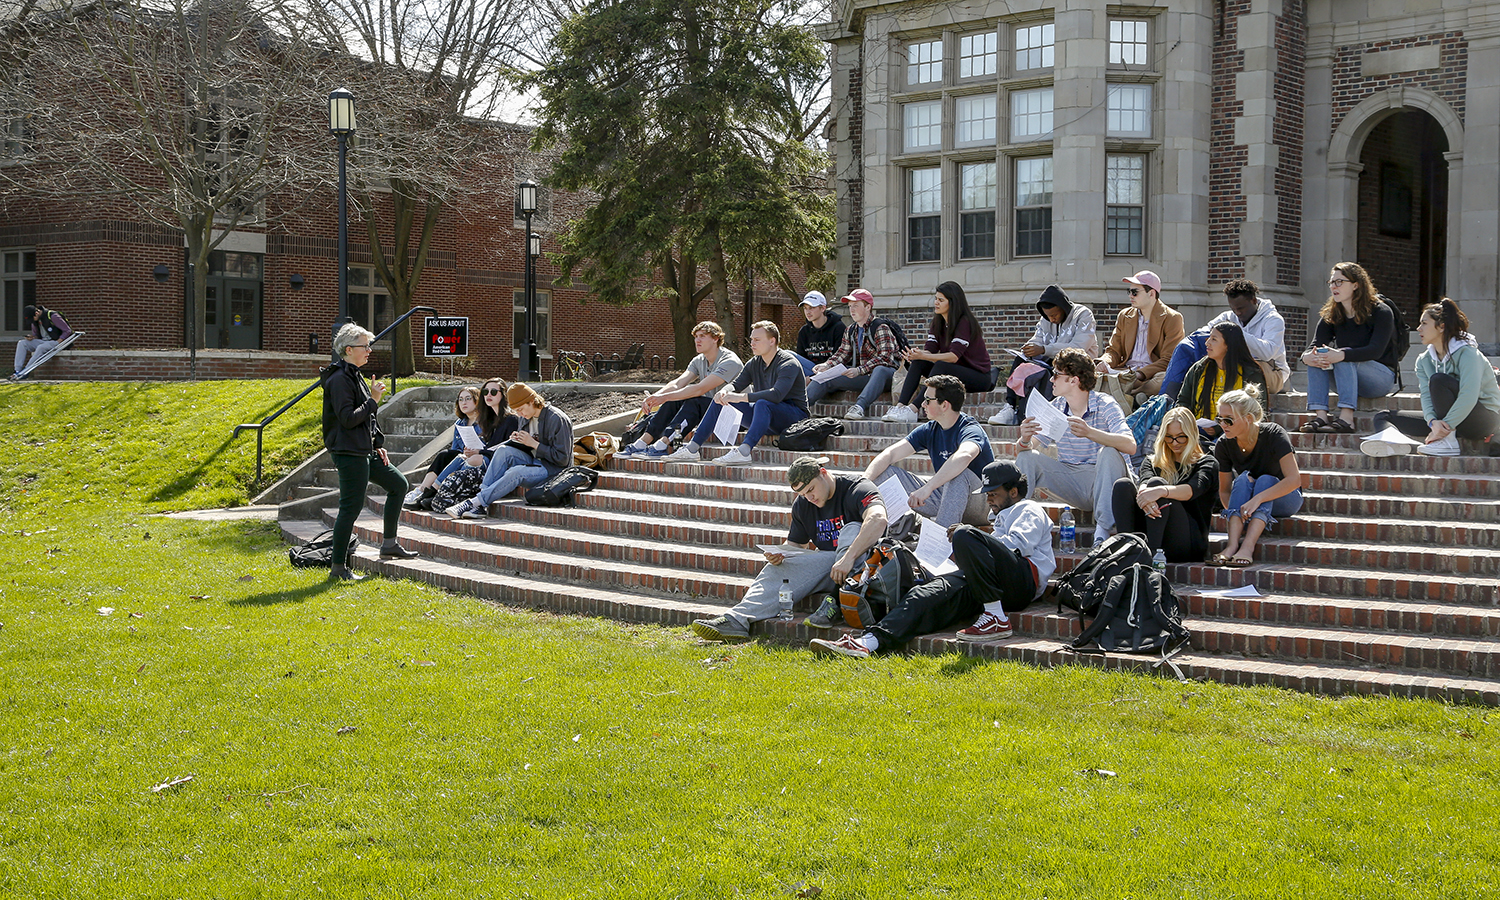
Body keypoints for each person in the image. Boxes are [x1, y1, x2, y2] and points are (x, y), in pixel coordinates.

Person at [808, 460, 1055, 657]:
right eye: (986, 494)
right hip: (990, 583)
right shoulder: (999, 517)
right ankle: (868, 643)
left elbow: (1017, 549)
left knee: (964, 533)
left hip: (1022, 582)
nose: (988, 499)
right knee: (924, 594)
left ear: (1013, 491)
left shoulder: (1028, 509)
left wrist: (973, 539)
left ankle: (996, 619)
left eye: (994, 494)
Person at [691, 456, 888, 642]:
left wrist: (848, 557)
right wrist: (780, 554)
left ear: (824, 473)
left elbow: (878, 519)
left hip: (863, 566)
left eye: (811, 490)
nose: (809, 498)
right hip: (830, 564)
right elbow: (796, 546)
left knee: (852, 528)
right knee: (778, 567)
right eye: (802, 494)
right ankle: (736, 619)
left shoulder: (857, 488)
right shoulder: (803, 504)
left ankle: (835, 600)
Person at [322, 323, 418, 580]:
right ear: (349, 349)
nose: (369, 351)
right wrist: (374, 400)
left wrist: (377, 444)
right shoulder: (340, 378)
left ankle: (388, 545)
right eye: (365, 346)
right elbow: (347, 418)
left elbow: (367, 420)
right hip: (349, 452)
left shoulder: (355, 375)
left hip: (365, 450)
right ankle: (339, 569)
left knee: (399, 485)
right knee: (350, 509)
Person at [1015, 348, 1137, 546]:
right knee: (1027, 457)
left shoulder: (1105, 403)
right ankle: (1014, 520)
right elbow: (1022, 453)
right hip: (1073, 480)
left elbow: (1130, 445)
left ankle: (1102, 531)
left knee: (1108, 451)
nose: (1051, 380)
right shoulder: (1056, 407)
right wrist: (1025, 439)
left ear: (1074, 380)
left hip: (1105, 479)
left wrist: (1090, 433)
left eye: (1056, 374)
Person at [663, 321, 808, 465]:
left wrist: (741, 397)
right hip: (765, 417)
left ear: (772, 341)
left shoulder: (788, 363)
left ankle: (744, 452)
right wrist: (725, 392)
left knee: (763, 403)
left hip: (793, 418)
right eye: (751, 339)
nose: (752, 343)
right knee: (721, 397)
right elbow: (736, 384)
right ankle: (692, 449)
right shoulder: (754, 362)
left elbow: (776, 395)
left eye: (757, 340)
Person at [1372, 298, 1500, 457]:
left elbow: (1469, 396)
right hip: (1449, 422)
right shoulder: (1424, 360)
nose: (1418, 329)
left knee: (1439, 380)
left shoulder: (1468, 354)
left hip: (1482, 421)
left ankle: (1447, 443)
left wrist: (1444, 428)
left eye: (1424, 323)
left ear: (1441, 327)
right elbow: (1426, 395)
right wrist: (1433, 423)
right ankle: (1391, 443)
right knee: (1384, 416)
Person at [862, 374, 993, 527]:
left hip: (981, 504)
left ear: (944, 405)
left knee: (959, 473)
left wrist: (928, 487)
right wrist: (862, 484)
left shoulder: (970, 429)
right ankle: (889, 528)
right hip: (945, 499)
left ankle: (939, 541)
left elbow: (964, 455)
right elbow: (889, 454)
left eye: (928, 400)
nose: (922, 404)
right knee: (883, 473)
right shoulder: (930, 429)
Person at [444, 383, 573, 518]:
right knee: (503, 450)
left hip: (554, 470)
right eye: (516, 410)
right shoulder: (525, 418)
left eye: (521, 409)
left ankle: (475, 503)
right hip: (535, 461)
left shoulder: (556, 419)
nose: (519, 414)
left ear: (532, 401)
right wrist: (517, 440)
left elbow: (562, 459)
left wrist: (533, 443)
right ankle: (480, 502)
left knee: (515, 472)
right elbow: (528, 447)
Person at [1110, 407, 1219, 563]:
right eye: (1169, 437)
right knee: (1123, 485)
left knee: (1157, 485)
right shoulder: (1152, 461)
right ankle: (1127, 550)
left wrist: (1161, 491)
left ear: (1192, 435)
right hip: (1151, 530)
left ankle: (1153, 555)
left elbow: (1192, 490)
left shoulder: (1207, 463)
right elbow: (1145, 481)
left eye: (1180, 437)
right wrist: (1145, 496)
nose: (1174, 443)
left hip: (1186, 542)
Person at [1300, 262, 1398, 434]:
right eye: (1331, 282)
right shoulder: (1331, 314)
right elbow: (1314, 346)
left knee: (1342, 356)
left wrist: (1342, 355)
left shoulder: (1381, 311)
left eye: (1339, 282)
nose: (1333, 287)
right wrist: (1307, 357)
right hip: (1345, 379)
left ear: (1355, 285)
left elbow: (1376, 350)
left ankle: (1347, 419)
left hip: (1380, 378)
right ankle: (1321, 416)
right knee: (1318, 357)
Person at [618, 322, 743, 457]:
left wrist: (665, 397)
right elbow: (678, 383)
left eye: (702, 336)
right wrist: (655, 397)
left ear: (716, 339)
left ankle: (663, 444)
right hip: (712, 411)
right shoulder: (699, 360)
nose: (697, 340)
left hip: (736, 416)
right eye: (695, 336)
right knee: (674, 398)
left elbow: (700, 389)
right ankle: (642, 443)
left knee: (693, 401)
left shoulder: (729, 361)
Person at [1213, 386, 1302, 567]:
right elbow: (1224, 491)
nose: (1222, 425)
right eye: (1219, 419)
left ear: (1248, 419)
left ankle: (1248, 546)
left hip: (1286, 498)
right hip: (1250, 501)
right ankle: (1232, 545)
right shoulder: (1224, 444)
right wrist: (1238, 515)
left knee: (1265, 480)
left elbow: (1294, 480)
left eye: (1228, 420)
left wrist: (1257, 499)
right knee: (1242, 480)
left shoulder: (1274, 434)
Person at [1158, 279, 1289, 399]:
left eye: (1241, 308)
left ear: (1254, 300)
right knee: (1191, 346)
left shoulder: (1273, 319)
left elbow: (1268, 353)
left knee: (1233, 362)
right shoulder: (1228, 316)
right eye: (1233, 309)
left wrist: (1237, 333)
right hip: (1232, 366)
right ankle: (1166, 400)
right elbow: (1202, 333)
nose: (1237, 313)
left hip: (1270, 372)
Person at [883, 281, 993, 423]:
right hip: (953, 371)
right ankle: (900, 406)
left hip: (978, 376)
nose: (936, 303)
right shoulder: (938, 321)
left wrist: (924, 355)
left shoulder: (964, 322)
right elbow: (930, 351)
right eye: (936, 299)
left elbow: (953, 357)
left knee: (941, 365)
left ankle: (913, 409)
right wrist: (917, 355)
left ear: (952, 303)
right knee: (919, 362)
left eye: (941, 300)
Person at [989, 284, 1097, 426]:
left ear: (1063, 308)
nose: (1051, 319)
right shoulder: (1046, 319)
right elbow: (1038, 338)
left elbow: (1079, 347)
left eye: (1054, 315)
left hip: (1076, 364)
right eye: (1047, 316)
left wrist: (1044, 349)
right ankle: (1010, 408)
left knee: (1048, 370)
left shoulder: (1083, 314)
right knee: (1020, 359)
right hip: (1050, 360)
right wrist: (1030, 348)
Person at [806, 288, 900, 421]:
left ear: (868, 307)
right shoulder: (851, 330)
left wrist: (859, 370)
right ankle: (800, 407)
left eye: (856, 305)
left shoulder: (880, 327)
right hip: (864, 376)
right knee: (824, 377)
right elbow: (842, 354)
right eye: (850, 306)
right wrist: (826, 366)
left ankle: (860, 407)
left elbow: (886, 358)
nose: (852, 310)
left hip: (887, 378)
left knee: (881, 369)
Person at [1096, 270, 1185, 406]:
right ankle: (1134, 395)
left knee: (1162, 380)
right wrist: (1105, 362)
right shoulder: (1124, 315)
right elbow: (1113, 350)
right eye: (1129, 291)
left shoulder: (1172, 318)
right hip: (1123, 373)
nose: (1130, 296)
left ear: (1151, 293)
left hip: (1149, 375)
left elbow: (1169, 360)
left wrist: (1140, 374)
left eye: (1135, 292)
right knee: (1091, 373)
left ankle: (1130, 394)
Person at [402, 385, 497, 508]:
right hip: (462, 456)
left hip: (479, 459)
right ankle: (421, 490)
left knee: (459, 458)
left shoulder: (486, 422)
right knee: (444, 455)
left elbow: (490, 446)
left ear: (477, 400)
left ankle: (432, 493)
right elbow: (455, 449)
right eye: (460, 399)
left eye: (468, 398)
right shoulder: (459, 423)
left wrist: (475, 451)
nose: (464, 402)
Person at [1176, 322, 1266, 442]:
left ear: (1228, 345)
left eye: (1214, 339)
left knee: (1219, 444)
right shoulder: (1199, 368)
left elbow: (1256, 412)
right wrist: (1188, 423)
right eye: (1208, 338)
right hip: (1196, 430)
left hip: (1234, 433)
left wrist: (1220, 427)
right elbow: (1183, 401)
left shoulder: (1250, 373)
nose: (1207, 343)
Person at [12, 304, 73, 379]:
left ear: (36, 313)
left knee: (41, 347)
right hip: (44, 341)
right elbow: (37, 334)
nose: (32, 321)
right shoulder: (35, 322)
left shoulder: (52, 316)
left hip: (56, 341)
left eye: (32, 319)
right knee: (22, 343)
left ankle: (26, 371)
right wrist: (33, 337)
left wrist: (60, 340)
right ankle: (17, 370)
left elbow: (67, 330)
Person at [794, 290, 845, 375]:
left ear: (823, 308)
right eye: (805, 308)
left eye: (812, 308)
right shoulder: (804, 331)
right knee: (788, 355)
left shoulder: (838, 328)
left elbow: (842, 358)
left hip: (831, 370)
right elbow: (801, 358)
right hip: (811, 370)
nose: (808, 312)